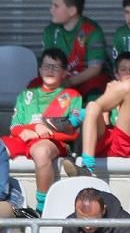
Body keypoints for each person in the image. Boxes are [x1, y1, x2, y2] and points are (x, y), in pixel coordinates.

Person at [1, 49, 82, 215]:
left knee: (41, 151)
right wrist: (34, 129)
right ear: (39, 70)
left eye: (56, 67)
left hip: (53, 141)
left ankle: (41, 208)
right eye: (46, 66)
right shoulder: (27, 94)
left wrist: (43, 133)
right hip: (23, 139)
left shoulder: (72, 96)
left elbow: (73, 132)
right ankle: (2, 195)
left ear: (65, 72)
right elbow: (15, 127)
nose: (50, 71)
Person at [62, 52, 130, 177]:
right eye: (123, 69)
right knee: (92, 106)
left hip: (126, 143)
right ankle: (87, 167)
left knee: (128, 88)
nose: (129, 72)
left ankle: (80, 116)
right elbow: (106, 126)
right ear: (116, 74)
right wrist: (107, 100)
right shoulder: (108, 96)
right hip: (106, 142)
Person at [41, 0, 109, 100]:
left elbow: (95, 69)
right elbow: (47, 64)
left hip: (86, 80)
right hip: (59, 78)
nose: (51, 10)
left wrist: (69, 82)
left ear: (72, 10)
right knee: (34, 87)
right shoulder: (50, 31)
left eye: (56, 6)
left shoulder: (92, 31)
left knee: (96, 91)